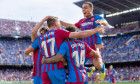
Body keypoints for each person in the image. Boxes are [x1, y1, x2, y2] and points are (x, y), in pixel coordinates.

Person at [25, 16, 104, 84]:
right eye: (59, 22)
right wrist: (95, 30)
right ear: (56, 24)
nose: (60, 24)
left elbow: (30, 44)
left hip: (45, 70)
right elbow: (80, 34)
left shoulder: (41, 38)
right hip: (56, 68)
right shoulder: (59, 32)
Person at [60, 1, 108, 80]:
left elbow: (105, 22)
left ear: (91, 9)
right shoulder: (81, 21)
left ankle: (103, 69)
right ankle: (89, 70)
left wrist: (101, 21)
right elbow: (72, 26)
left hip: (94, 46)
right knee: (76, 64)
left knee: (98, 66)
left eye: (85, 8)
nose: (83, 10)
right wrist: (61, 22)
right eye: (82, 8)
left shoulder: (96, 17)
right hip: (84, 48)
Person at [26, 17, 49, 84]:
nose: (42, 35)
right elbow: (33, 32)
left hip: (45, 70)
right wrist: (43, 20)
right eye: (41, 33)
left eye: (44, 33)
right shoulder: (38, 40)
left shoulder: (48, 41)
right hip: (37, 72)